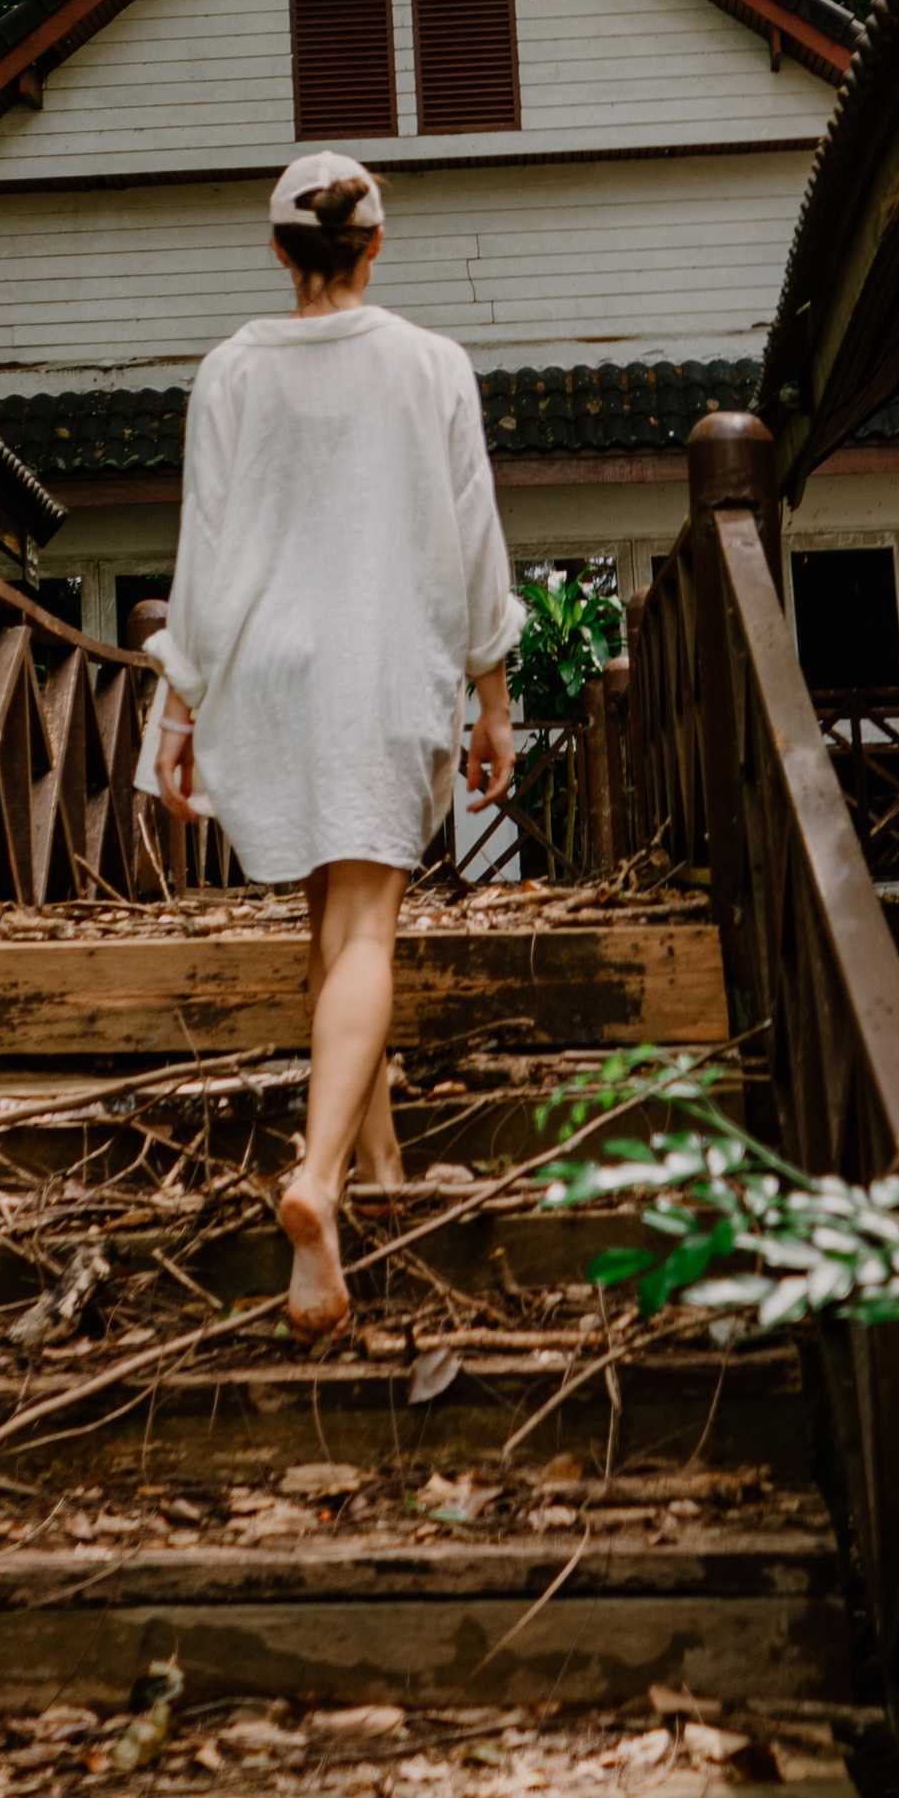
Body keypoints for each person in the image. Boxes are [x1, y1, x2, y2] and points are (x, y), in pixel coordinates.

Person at [139, 153, 521, 1339]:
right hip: (380, 664)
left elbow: (201, 551)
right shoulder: (431, 365)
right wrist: (492, 696)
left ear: (275, 252)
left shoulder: (231, 369)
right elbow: (472, 540)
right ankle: (315, 1178)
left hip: (268, 669)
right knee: (367, 928)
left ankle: (377, 1172)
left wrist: (181, 704)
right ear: (375, 245)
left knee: (324, 924)